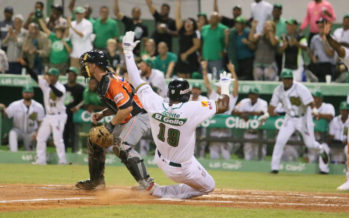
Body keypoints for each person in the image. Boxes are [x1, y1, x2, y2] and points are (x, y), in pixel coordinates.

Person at [123, 31, 230, 199]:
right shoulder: (192, 108)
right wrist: (224, 87)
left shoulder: (154, 102)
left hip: (160, 159)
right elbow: (224, 105)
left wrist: (128, 53)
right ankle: (159, 191)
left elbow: (135, 78)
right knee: (209, 186)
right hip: (182, 168)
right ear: (186, 95)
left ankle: (156, 189)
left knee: (189, 159)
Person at [76, 50, 154, 191]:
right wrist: (102, 113)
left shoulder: (112, 82)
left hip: (139, 115)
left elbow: (126, 108)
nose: (84, 67)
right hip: (128, 115)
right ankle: (97, 182)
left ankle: (147, 183)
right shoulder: (103, 81)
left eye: (87, 64)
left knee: (122, 146)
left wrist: (110, 126)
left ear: (95, 65)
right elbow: (119, 106)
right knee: (95, 141)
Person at [259, 69, 329, 174]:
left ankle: (321, 149)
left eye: (289, 78)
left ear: (292, 79)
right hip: (290, 118)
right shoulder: (278, 90)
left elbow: (310, 101)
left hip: (303, 117)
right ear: (282, 80)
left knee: (310, 144)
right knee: (280, 140)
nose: (287, 81)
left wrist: (314, 109)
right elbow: (272, 105)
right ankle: (275, 168)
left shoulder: (300, 88)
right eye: (285, 79)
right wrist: (267, 115)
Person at [24, 66, 67, 165]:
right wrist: (25, 64)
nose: (50, 77)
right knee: (40, 137)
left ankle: (62, 160)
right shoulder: (46, 84)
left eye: (52, 76)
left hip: (59, 116)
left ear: (56, 77)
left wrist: (50, 84)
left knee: (57, 139)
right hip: (48, 116)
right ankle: (41, 160)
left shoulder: (61, 87)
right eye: (49, 75)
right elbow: (34, 76)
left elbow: (59, 94)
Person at [202, 61, 238, 159]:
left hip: (225, 130)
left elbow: (236, 87)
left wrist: (233, 71)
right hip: (214, 129)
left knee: (226, 156)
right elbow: (207, 84)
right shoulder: (214, 95)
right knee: (213, 155)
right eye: (218, 86)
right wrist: (204, 69)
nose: (219, 87)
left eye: (221, 86)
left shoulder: (230, 96)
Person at [0, 85, 44, 152]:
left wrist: (38, 133)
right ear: (22, 93)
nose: (27, 94)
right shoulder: (15, 104)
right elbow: (7, 115)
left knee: (29, 153)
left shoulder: (38, 106)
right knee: (12, 133)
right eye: (25, 92)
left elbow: (41, 122)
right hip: (18, 131)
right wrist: (3, 109)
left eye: (29, 92)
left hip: (31, 132)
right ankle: (13, 153)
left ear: (32, 94)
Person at [233, 88, 268, 160]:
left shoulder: (263, 102)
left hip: (259, 132)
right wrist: (241, 115)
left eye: (254, 94)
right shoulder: (244, 101)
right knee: (247, 156)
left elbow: (260, 113)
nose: (252, 96)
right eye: (251, 94)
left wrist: (244, 113)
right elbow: (233, 111)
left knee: (261, 156)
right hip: (248, 132)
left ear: (258, 95)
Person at [174, 0, 200, 79]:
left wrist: (186, 54)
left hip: (191, 58)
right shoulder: (181, 32)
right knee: (181, 77)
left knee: (189, 78)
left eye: (190, 23)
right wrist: (178, 4)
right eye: (186, 22)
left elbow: (196, 46)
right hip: (181, 57)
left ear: (194, 25)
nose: (188, 24)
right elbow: (178, 17)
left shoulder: (195, 33)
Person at [308, 18, 336, 82]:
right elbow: (310, 52)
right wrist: (313, 58)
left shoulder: (332, 39)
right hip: (317, 65)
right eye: (319, 27)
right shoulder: (314, 38)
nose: (320, 29)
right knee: (308, 69)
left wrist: (324, 43)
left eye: (322, 27)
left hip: (328, 66)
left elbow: (331, 54)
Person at [201, 12, 228, 80]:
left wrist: (224, 50)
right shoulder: (204, 28)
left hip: (217, 59)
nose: (212, 20)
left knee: (216, 79)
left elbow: (227, 43)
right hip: (205, 58)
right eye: (211, 18)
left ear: (218, 20)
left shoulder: (224, 29)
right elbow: (201, 42)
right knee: (205, 78)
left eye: (214, 18)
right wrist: (200, 55)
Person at [64, 67, 84, 152]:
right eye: (69, 74)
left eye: (72, 75)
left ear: (76, 76)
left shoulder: (80, 88)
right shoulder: (63, 87)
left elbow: (84, 100)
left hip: (75, 115)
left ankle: (74, 153)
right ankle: (63, 154)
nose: (70, 76)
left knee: (74, 135)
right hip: (64, 115)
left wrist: (78, 106)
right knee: (63, 135)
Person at [330, 102, 349, 191]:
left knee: (347, 149)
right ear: (340, 110)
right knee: (324, 148)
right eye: (342, 110)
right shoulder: (335, 120)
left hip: (344, 143)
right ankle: (324, 170)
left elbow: (346, 135)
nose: (344, 112)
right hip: (334, 144)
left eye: (346, 110)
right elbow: (331, 135)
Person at [67, 7, 93, 72]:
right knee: (73, 73)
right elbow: (67, 37)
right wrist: (68, 27)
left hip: (85, 54)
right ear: (75, 14)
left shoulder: (88, 24)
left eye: (81, 13)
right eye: (77, 13)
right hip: (74, 54)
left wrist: (71, 27)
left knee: (85, 74)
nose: (79, 15)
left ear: (84, 14)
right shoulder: (72, 24)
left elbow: (82, 35)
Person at [272, 4, 287, 76]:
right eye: (274, 11)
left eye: (278, 11)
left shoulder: (285, 23)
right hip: (271, 47)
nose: (276, 13)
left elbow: (286, 35)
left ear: (281, 12)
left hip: (281, 48)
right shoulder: (269, 22)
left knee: (280, 66)